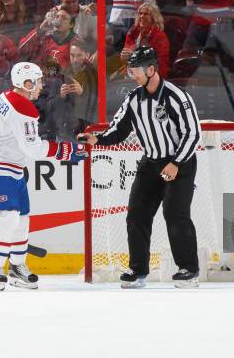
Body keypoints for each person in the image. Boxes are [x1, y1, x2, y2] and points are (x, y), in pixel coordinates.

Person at [78, 46, 202, 289]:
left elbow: (193, 134)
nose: (130, 74)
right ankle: (138, 270)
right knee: (136, 214)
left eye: (134, 70)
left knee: (175, 214)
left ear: (151, 69)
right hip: (150, 163)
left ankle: (189, 268)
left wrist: (176, 163)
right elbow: (119, 129)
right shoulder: (134, 98)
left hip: (180, 162)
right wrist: (98, 139)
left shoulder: (177, 97)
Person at [0, 61, 87, 290]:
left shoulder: (8, 96)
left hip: (10, 162)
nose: (41, 86)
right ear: (26, 83)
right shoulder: (22, 107)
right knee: (9, 217)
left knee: (22, 217)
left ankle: (17, 267)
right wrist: (65, 150)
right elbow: (33, 150)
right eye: (37, 81)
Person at [45, 38, 97, 140]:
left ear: (87, 55)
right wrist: (61, 96)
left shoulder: (94, 76)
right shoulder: (61, 76)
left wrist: (83, 94)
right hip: (64, 133)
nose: (75, 59)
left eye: (79, 55)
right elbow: (49, 106)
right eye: (72, 55)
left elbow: (101, 106)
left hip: (87, 133)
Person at [18, 6, 78, 77]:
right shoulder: (45, 37)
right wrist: (40, 30)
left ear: (71, 25)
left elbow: (73, 69)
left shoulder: (76, 43)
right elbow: (21, 50)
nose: (59, 20)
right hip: (35, 80)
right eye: (57, 17)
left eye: (63, 18)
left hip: (58, 83)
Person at [120, 3, 170, 78]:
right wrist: (123, 57)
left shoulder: (160, 37)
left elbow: (160, 64)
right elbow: (126, 58)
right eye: (140, 13)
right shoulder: (132, 33)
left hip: (152, 77)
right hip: (131, 74)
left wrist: (136, 58)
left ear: (154, 18)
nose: (142, 16)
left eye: (146, 14)